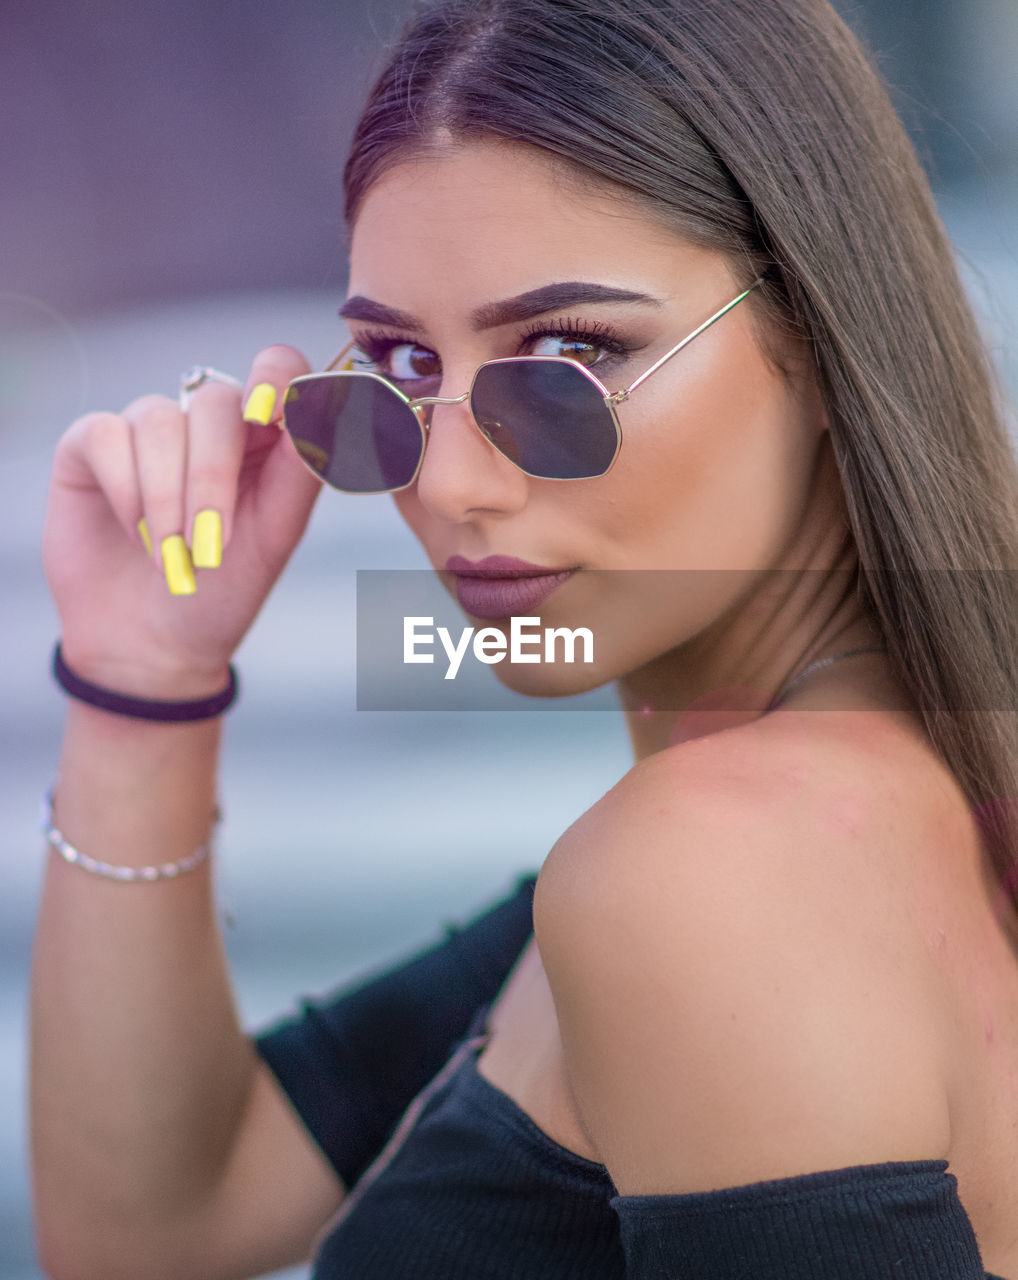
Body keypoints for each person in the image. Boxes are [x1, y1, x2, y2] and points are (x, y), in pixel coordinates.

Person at [29, 0, 1018, 1276]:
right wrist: (142, 676)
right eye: (398, 363)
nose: (449, 485)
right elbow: (152, 1229)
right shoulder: (840, 807)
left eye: (567, 355)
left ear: (817, 341)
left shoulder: (712, 871)